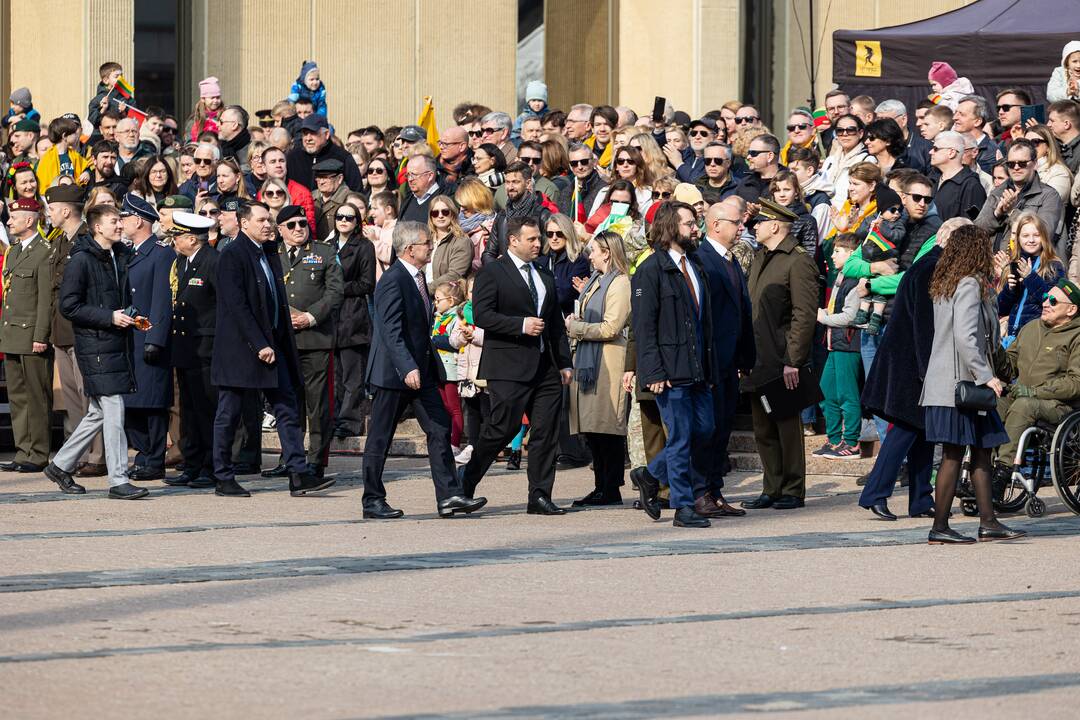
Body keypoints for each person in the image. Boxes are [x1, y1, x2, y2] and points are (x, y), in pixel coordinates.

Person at [363, 221, 487, 519]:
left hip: (423, 371)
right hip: (395, 373)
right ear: (409, 249)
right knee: (380, 436)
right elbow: (390, 330)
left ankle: (448, 495)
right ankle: (372, 500)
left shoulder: (418, 277)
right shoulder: (393, 280)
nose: (431, 247)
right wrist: (407, 366)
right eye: (426, 243)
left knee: (439, 427)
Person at [210, 201, 335, 498]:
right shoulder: (232, 255)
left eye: (269, 220)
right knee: (229, 413)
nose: (268, 225)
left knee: (287, 407)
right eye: (262, 220)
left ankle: (298, 474)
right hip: (242, 349)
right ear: (244, 223)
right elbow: (236, 306)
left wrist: (276, 343)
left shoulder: (268, 252)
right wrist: (259, 344)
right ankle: (223, 476)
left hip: (274, 345)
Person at [858, 217, 972, 520]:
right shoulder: (931, 269)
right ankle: (875, 493)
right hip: (913, 365)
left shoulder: (931, 265)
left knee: (922, 431)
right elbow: (924, 324)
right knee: (906, 430)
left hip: (911, 362)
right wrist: (927, 370)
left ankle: (920, 498)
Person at [459, 217, 573, 515]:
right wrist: (520, 325)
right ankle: (465, 483)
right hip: (507, 366)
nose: (539, 244)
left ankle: (539, 495)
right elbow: (482, 315)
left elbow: (555, 325)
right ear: (513, 241)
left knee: (546, 432)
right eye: (533, 239)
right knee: (500, 429)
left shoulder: (544, 274)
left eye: (539, 239)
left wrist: (564, 362)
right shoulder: (493, 272)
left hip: (545, 366)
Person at [920, 225, 1025, 544]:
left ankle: (988, 521)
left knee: (981, 450)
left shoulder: (947, 283)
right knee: (954, 454)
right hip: (962, 384)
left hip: (949, 383)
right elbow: (967, 338)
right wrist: (987, 375)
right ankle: (940, 526)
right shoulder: (968, 285)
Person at [45, 204, 146, 499]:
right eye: (114, 221)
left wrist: (130, 315)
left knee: (97, 413)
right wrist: (109, 317)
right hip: (96, 346)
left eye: (120, 220)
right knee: (114, 409)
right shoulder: (81, 260)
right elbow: (69, 305)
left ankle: (61, 465)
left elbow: (116, 297)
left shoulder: (119, 255)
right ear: (97, 227)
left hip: (115, 343)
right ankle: (118, 479)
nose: (120, 225)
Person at [628, 202, 717, 527]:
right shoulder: (650, 270)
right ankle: (683, 506)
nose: (696, 229)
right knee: (679, 436)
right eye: (689, 223)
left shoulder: (695, 264)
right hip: (669, 371)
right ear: (670, 227)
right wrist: (651, 371)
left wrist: (710, 368)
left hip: (697, 369)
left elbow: (702, 322)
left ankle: (650, 475)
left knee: (703, 429)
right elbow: (643, 326)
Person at [740, 199, 819, 511]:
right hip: (758, 358)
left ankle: (792, 488)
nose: (754, 227)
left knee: (786, 426)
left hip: (781, 358)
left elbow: (804, 314)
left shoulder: (797, 260)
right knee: (763, 429)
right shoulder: (762, 256)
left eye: (758, 223)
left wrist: (793, 360)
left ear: (774, 225)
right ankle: (771, 486)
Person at [261, 205, 343, 479]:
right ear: (280, 229)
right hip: (284, 341)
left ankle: (316, 462)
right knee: (288, 403)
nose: (299, 229)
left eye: (302, 224)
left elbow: (335, 292)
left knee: (317, 405)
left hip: (315, 338)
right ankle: (290, 459)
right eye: (292, 225)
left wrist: (310, 317)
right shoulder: (272, 252)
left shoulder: (324, 252)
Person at [564, 230, 631, 506]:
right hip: (590, 360)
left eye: (593, 251)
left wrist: (575, 328)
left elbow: (611, 327)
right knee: (593, 428)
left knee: (606, 428)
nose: (589, 255)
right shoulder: (597, 280)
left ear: (606, 252)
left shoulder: (620, 283)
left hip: (609, 362)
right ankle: (600, 485)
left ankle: (610, 487)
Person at [44, 185, 107, 476]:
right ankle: (80, 454)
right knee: (72, 400)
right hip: (62, 330)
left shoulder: (86, 240)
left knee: (88, 396)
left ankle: (97, 456)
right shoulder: (59, 241)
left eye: (53, 209)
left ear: (66, 210)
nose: (49, 214)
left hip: (82, 330)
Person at [697, 199, 755, 512]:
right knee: (707, 429)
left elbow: (741, 312)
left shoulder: (730, 260)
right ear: (716, 224)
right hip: (710, 361)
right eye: (736, 222)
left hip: (730, 361)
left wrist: (745, 357)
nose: (741, 227)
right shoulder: (701, 259)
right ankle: (695, 489)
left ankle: (714, 492)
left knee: (722, 430)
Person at [995, 279, 1080, 484]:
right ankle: (982, 469)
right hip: (1025, 395)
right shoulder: (1031, 327)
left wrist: (1034, 392)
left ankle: (1002, 472)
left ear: (1071, 310)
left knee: (1024, 405)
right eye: (1044, 298)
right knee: (994, 400)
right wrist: (994, 347)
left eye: (1052, 300)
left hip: (1061, 406)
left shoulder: (1076, 336)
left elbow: (1075, 383)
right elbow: (1009, 367)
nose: (1044, 303)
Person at [119, 193, 175, 482]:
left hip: (148, 337)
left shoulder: (161, 252)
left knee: (152, 403)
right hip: (129, 337)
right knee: (132, 404)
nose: (121, 221)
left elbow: (162, 300)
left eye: (125, 216)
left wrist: (156, 337)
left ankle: (153, 459)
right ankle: (143, 454)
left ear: (139, 220)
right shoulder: (131, 252)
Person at [162, 211, 219, 487]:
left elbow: (223, 306)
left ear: (192, 240)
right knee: (188, 410)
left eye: (178, 237)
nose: (174, 241)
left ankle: (210, 466)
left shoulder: (213, 262)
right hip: (185, 348)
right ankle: (192, 464)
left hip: (206, 348)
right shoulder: (182, 262)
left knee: (206, 410)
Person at [0, 198, 53, 473]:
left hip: (32, 335)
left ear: (30, 219)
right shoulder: (15, 251)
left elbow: (45, 300)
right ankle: (23, 451)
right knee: (18, 397)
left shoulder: (44, 252)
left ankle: (39, 452)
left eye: (14, 217)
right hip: (11, 334)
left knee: (37, 396)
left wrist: (41, 334)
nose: (9, 221)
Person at [328, 201, 375, 439]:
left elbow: (367, 283)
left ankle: (349, 421)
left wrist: (336, 289)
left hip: (353, 316)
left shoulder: (364, 246)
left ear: (357, 222)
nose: (343, 221)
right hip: (331, 318)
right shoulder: (328, 245)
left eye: (349, 217)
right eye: (339, 217)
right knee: (335, 375)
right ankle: (335, 418)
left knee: (352, 375)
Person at [814, 233, 863, 459]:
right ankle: (834, 440)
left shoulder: (855, 280)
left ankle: (851, 442)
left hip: (848, 345)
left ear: (851, 254)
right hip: (834, 344)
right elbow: (823, 248)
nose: (832, 255)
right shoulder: (840, 275)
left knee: (847, 395)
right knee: (825, 391)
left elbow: (851, 316)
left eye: (838, 251)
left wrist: (824, 318)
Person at [975, 139, 1064, 254]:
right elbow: (977, 231)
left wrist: (1012, 213)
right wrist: (997, 213)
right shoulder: (997, 192)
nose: (1016, 168)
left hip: (1026, 266)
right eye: (1011, 164)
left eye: (1022, 163)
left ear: (1035, 164)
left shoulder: (1049, 195)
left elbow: (1044, 234)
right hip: (992, 264)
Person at [995, 212, 1065, 348]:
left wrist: (1030, 277)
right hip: (1012, 337)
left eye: (1036, 235)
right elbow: (1001, 309)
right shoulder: (1014, 264)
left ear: (1044, 237)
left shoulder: (1053, 266)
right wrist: (1010, 290)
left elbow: (1053, 301)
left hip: (1037, 338)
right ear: (1018, 239)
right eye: (1025, 236)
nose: (1031, 240)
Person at [286, 114, 362, 192]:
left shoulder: (342, 157)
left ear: (326, 134)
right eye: (305, 133)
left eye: (313, 133)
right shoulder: (293, 157)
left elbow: (356, 192)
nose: (308, 138)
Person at [929, 130, 986, 221]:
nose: (930, 152)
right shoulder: (932, 179)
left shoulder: (971, 186)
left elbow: (971, 228)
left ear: (951, 152)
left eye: (935, 148)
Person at [427, 195, 472, 290]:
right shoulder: (425, 240)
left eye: (445, 212)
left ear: (452, 214)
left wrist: (426, 290)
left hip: (449, 298)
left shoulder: (462, 241)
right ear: (431, 217)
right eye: (435, 213)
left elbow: (454, 275)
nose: (440, 216)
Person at [1023, 124, 1073, 205]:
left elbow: (1049, 203)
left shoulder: (1059, 173)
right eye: (1025, 143)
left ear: (1048, 146)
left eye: (1035, 142)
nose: (1029, 147)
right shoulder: (1018, 168)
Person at [556, 142, 604, 223]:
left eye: (584, 162)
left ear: (593, 162)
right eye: (574, 163)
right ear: (570, 166)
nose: (580, 167)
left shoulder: (604, 189)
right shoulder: (565, 192)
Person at [311, 157, 351, 239]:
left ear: (339, 178)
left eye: (326, 177)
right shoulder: (311, 197)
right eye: (318, 177)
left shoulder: (349, 200)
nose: (321, 182)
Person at [398, 154, 442, 223]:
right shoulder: (407, 200)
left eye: (414, 175)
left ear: (430, 176)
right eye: (408, 175)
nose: (410, 179)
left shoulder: (444, 199)